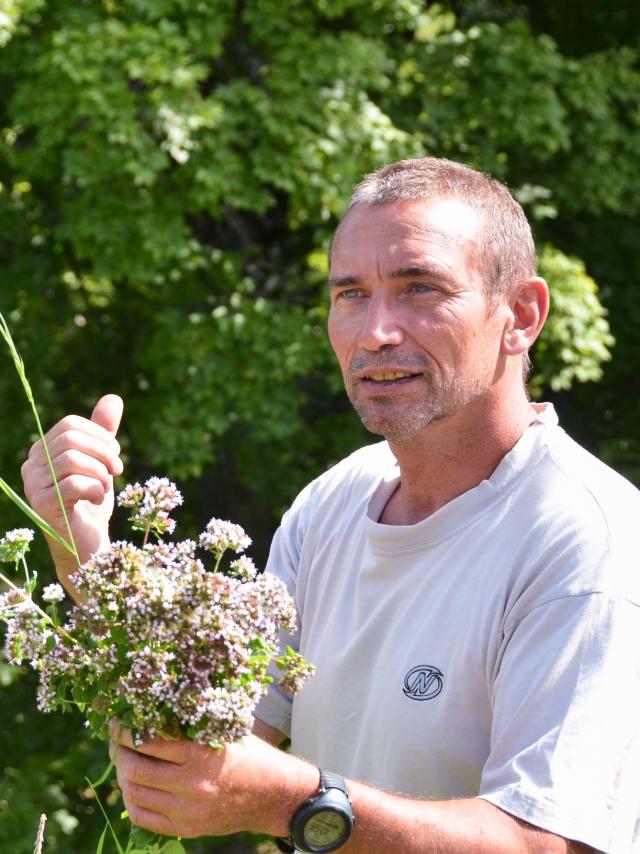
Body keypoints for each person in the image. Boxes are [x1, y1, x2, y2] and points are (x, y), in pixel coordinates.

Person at [22, 157, 640, 854]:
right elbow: (210, 743)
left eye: (420, 289)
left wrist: (299, 804)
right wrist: (86, 560)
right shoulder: (334, 502)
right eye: (351, 294)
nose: (376, 330)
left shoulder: (587, 541)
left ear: (520, 315)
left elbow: (551, 844)